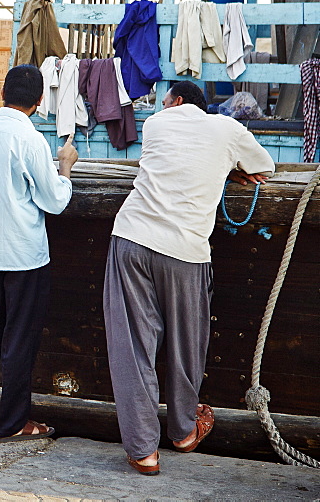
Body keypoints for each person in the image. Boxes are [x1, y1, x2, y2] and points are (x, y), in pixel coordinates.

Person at [103, 81, 274, 475]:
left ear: (177, 102)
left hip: (132, 237)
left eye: (165, 101)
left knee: (133, 348)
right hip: (186, 250)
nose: (161, 107)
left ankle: (144, 451)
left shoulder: (155, 125)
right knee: (187, 345)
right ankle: (182, 431)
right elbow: (264, 167)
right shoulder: (228, 129)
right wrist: (232, 172)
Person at [0, 64, 78, 441]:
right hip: (23, 256)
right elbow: (55, 200)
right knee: (19, 339)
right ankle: (12, 423)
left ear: (3, 94)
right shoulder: (30, 140)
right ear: (40, 101)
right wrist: (66, 168)